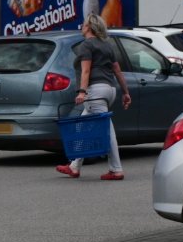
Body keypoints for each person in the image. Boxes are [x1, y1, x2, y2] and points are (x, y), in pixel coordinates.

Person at [56, 14, 132, 180]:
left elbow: (86, 71)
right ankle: (74, 166)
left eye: (83, 24)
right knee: (83, 127)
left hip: (95, 91)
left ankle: (116, 169)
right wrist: (125, 92)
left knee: (106, 130)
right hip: (109, 90)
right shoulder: (107, 46)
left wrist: (82, 91)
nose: (81, 26)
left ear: (89, 27)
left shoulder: (86, 45)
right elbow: (117, 71)